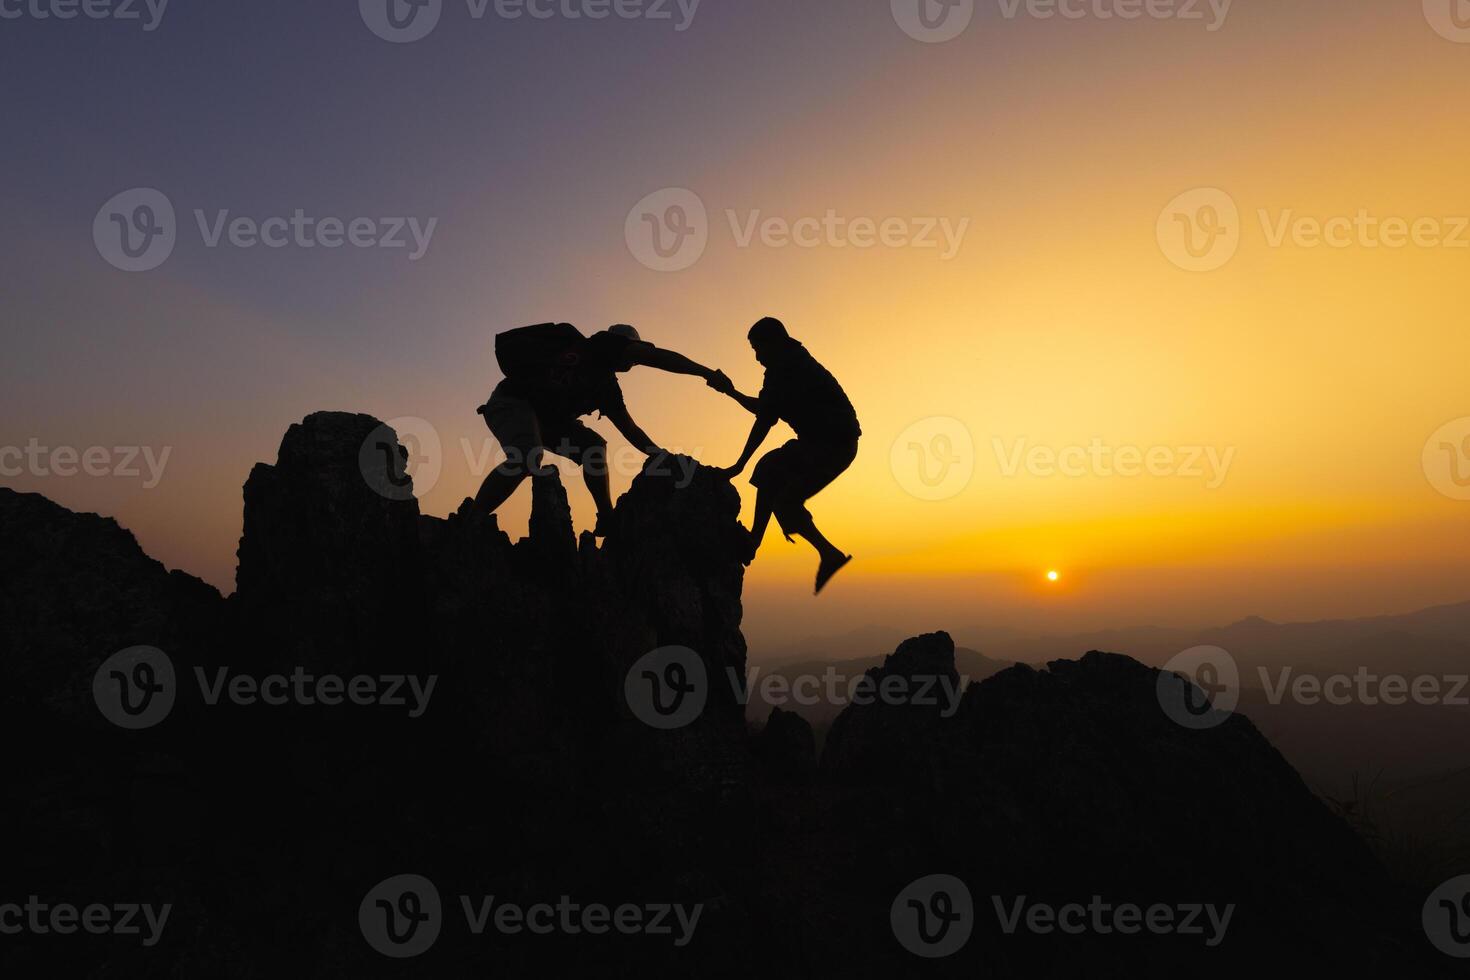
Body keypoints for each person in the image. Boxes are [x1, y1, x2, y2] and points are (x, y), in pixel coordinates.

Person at [475, 323, 724, 535]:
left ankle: (606, 516)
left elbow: (630, 429)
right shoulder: (602, 344)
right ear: (625, 345)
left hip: (548, 422)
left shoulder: (606, 388)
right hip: (512, 402)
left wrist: (658, 454)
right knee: (528, 456)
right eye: (634, 352)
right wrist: (705, 373)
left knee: (593, 447)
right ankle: (473, 519)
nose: (635, 361)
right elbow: (656, 357)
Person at [712, 317, 860, 594]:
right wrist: (730, 392)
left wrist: (738, 465)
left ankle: (823, 553)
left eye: (759, 348)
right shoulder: (786, 365)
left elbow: (764, 420)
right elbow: (766, 410)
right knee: (769, 469)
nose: (757, 357)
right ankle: (764, 545)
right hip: (821, 443)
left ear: (776, 342)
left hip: (833, 446)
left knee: (783, 498)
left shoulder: (790, 369)